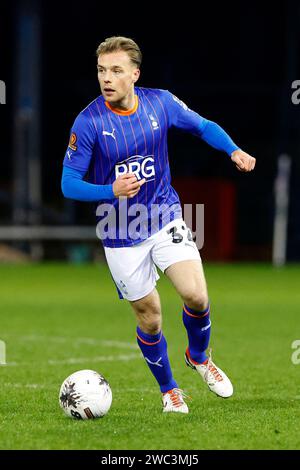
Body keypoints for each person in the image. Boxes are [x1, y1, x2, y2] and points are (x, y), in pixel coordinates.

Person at [61, 36, 256, 414]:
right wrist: (109, 190)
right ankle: (169, 390)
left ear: (134, 74)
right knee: (150, 319)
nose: (107, 78)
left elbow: (202, 126)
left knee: (197, 297)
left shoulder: (160, 102)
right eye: (102, 70)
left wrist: (233, 149)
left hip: (165, 217)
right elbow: (68, 183)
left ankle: (198, 357)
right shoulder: (88, 122)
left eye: (116, 70)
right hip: (120, 232)